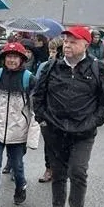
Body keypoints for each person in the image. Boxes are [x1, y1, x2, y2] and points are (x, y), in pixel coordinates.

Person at [32, 26, 104, 207]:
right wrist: (43, 121)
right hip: (55, 131)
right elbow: (38, 97)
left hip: (83, 133)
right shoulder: (51, 68)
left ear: (85, 44)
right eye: (65, 41)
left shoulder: (98, 69)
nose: (67, 45)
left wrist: (92, 122)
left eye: (73, 41)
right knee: (58, 173)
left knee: (78, 171)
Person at [0, 41, 35, 207]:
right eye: (8, 57)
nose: (11, 60)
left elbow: (35, 106)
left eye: (15, 57)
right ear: (3, 59)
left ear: (22, 59)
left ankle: (21, 186)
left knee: (17, 166)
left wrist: (34, 129)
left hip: (18, 132)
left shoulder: (29, 79)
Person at [36, 37, 62, 184]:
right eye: (50, 50)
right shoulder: (44, 66)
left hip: (62, 112)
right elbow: (37, 88)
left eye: (54, 51)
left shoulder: (66, 67)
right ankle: (49, 168)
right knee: (49, 143)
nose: (51, 54)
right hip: (47, 111)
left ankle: (60, 168)